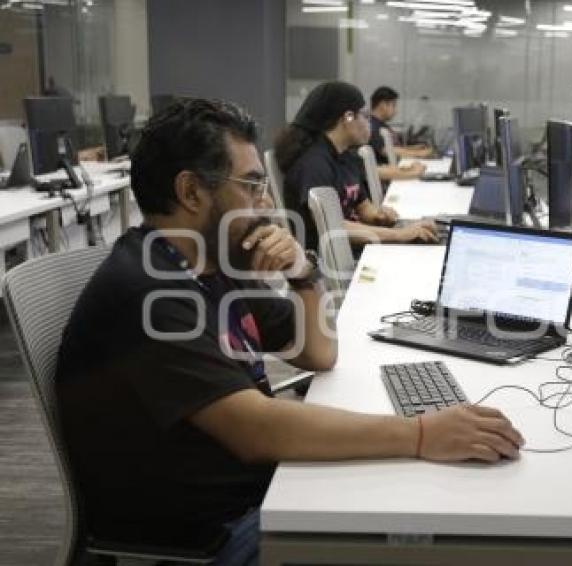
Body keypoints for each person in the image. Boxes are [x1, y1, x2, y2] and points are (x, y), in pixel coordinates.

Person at [56, 98, 523, 565]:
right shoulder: (148, 291)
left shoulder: (210, 265)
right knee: (431, 536)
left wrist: (303, 272)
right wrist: (419, 434)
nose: (266, 204)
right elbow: (257, 430)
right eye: (252, 186)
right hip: (213, 535)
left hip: (261, 493)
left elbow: (317, 353)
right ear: (192, 192)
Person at [275, 81, 439, 252]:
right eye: (365, 116)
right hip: (333, 259)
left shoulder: (346, 156)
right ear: (348, 118)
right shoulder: (314, 164)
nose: (368, 123)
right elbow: (334, 226)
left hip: (356, 248)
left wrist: (379, 215)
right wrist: (400, 234)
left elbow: (363, 206)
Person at [368, 86, 434, 181]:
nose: (396, 111)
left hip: (395, 170)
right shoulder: (373, 127)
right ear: (383, 105)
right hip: (389, 177)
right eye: (393, 105)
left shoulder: (381, 125)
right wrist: (419, 153)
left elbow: (393, 147)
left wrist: (413, 148)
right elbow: (386, 150)